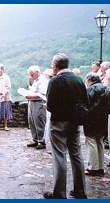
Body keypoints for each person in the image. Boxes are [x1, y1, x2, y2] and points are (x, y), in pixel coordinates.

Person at [43, 53, 88, 199]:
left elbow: (49, 106)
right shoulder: (79, 80)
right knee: (76, 155)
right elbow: (85, 102)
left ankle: (59, 193)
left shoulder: (55, 81)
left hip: (59, 122)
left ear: (55, 66)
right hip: (75, 122)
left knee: (59, 156)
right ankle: (80, 190)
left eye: (52, 65)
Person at [84, 72, 110, 176]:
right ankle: (100, 167)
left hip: (91, 120)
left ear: (90, 79)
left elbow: (86, 105)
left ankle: (93, 167)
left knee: (91, 142)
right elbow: (109, 108)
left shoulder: (90, 89)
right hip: (103, 120)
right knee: (100, 142)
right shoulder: (106, 89)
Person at [25, 65, 47, 150]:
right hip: (32, 102)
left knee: (39, 121)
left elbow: (42, 94)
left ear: (37, 72)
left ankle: (42, 141)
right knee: (31, 122)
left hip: (38, 103)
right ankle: (35, 139)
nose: (30, 76)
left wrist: (30, 97)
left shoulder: (42, 80)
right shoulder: (35, 80)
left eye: (32, 74)